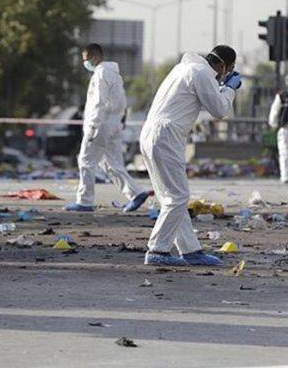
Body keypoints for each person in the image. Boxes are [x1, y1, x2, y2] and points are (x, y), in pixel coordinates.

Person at [140, 45, 242, 267]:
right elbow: (219, 110)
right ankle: (157, 249)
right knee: (177, 197)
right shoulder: (202, 72)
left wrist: (222, 87)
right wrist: (230, 89)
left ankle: (190, 250)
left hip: (152, 133)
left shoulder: (184, 68)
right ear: (224, 66)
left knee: (171, 198)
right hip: (166, 135)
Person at [64, 43, 150, 213]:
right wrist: (121, 119)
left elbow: (98, 102)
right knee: (111, 164)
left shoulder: (101, 74)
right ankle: (136, 193)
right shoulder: (115, 75)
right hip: (115, 122)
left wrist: (93, 127)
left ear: (95, 57)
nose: (85, 63)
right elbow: (122, 100)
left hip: (101, 124)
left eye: (86, 60)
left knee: (86, 161)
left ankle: (85, 201)